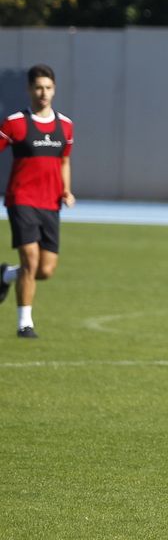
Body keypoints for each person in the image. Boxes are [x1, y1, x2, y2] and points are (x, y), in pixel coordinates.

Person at [0, 66, 76, 339]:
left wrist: (66, 190)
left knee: (45, 270)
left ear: (54, 89)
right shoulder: (15, 123)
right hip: (21, 199)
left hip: (50, 203)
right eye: (38, 88)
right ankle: (25, 324)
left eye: (48, 88)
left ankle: (6, 276)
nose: (43, 93)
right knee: (30, 261)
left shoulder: (65, 125)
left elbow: (64, 160)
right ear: (29, 90)